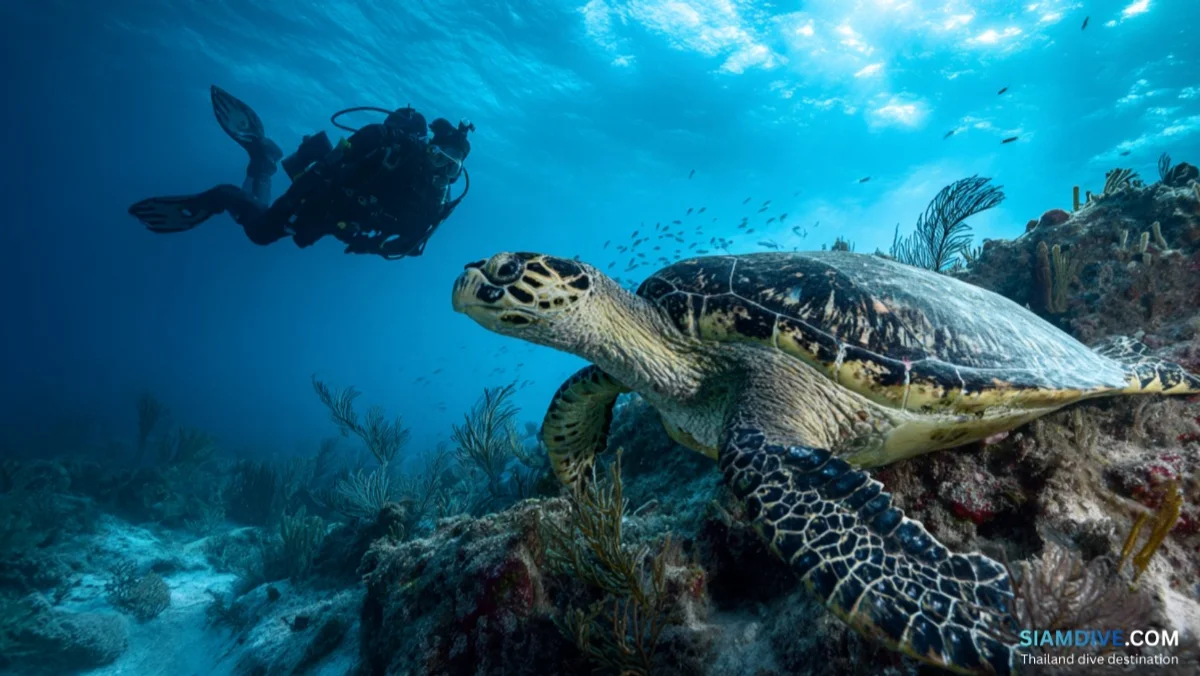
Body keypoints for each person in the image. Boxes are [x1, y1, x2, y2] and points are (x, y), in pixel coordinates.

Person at [128, 86, 473, 259]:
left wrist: (359, 241)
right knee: (260, 234)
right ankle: (228, 191)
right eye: (439, 157)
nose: (441, 169)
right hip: (322, 194)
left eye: (451, 166)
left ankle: (268, 160)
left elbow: (404, 247)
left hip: (335, 219)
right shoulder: (388, 145)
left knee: (280, 232)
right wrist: (295, 201)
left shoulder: (433, 204)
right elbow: (327, 173)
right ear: (428, 147)